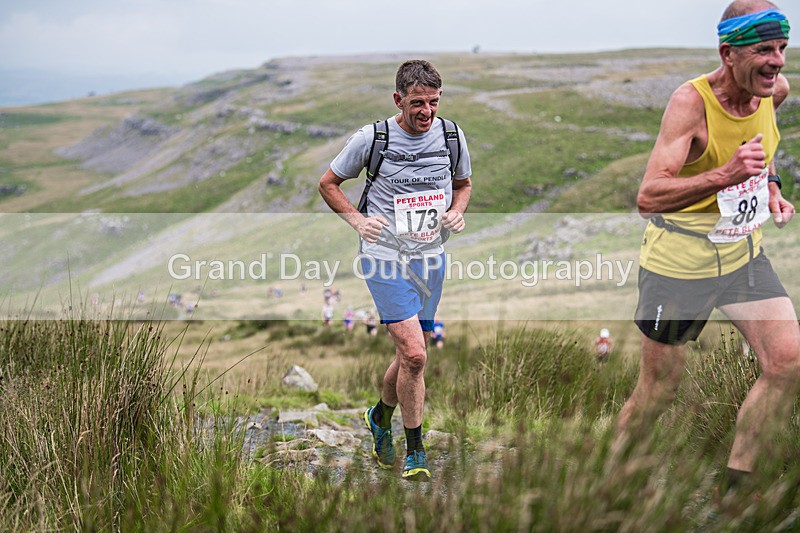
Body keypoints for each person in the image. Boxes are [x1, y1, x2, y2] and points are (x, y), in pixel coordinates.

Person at [615, 0, 799, 505]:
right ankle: (611, 486)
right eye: (764, 50)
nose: (778, 61)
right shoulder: (690, 103)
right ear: (728, 53)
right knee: (659, 390)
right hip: (679, 266)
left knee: (787, 362)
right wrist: (726, 175)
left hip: (742, 256)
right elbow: (649, 196)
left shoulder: (773, 90)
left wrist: (771, 186)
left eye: (782, 48)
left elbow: (761, 147)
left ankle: (734, 493)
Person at [318, 59, 472, 481]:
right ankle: (415, 451)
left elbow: (463, 185)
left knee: (411, 357)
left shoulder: (452, 135)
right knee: (417, 354)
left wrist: (457, 211)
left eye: (434, 102)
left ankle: (379, 416)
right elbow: (328, 183)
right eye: (418, 103)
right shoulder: (372, 138)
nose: (427, 111)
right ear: (398, 99)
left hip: (430, 257)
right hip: (384, 256)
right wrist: (357, 221)